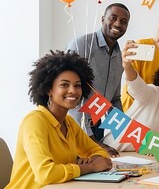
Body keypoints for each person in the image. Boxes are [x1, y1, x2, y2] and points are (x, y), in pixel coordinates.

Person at [6, 51, 112, 189]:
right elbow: (45, 174)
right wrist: (90, 167)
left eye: (78, 85)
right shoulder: (34, 122)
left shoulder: (69, 123)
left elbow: (98, 151)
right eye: (64, 85)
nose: (73, 91)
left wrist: (96, 159)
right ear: (49, 89)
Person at [66, 3, 130, 157]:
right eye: (113, 18)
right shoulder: (81, 45)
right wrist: (91, 141)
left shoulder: (119, 58)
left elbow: (114, 100)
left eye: (123, 21)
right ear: (103, 19)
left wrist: (129, 135)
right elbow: (70, 97)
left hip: (96, 125)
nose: (118, 24)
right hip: (72, 125)